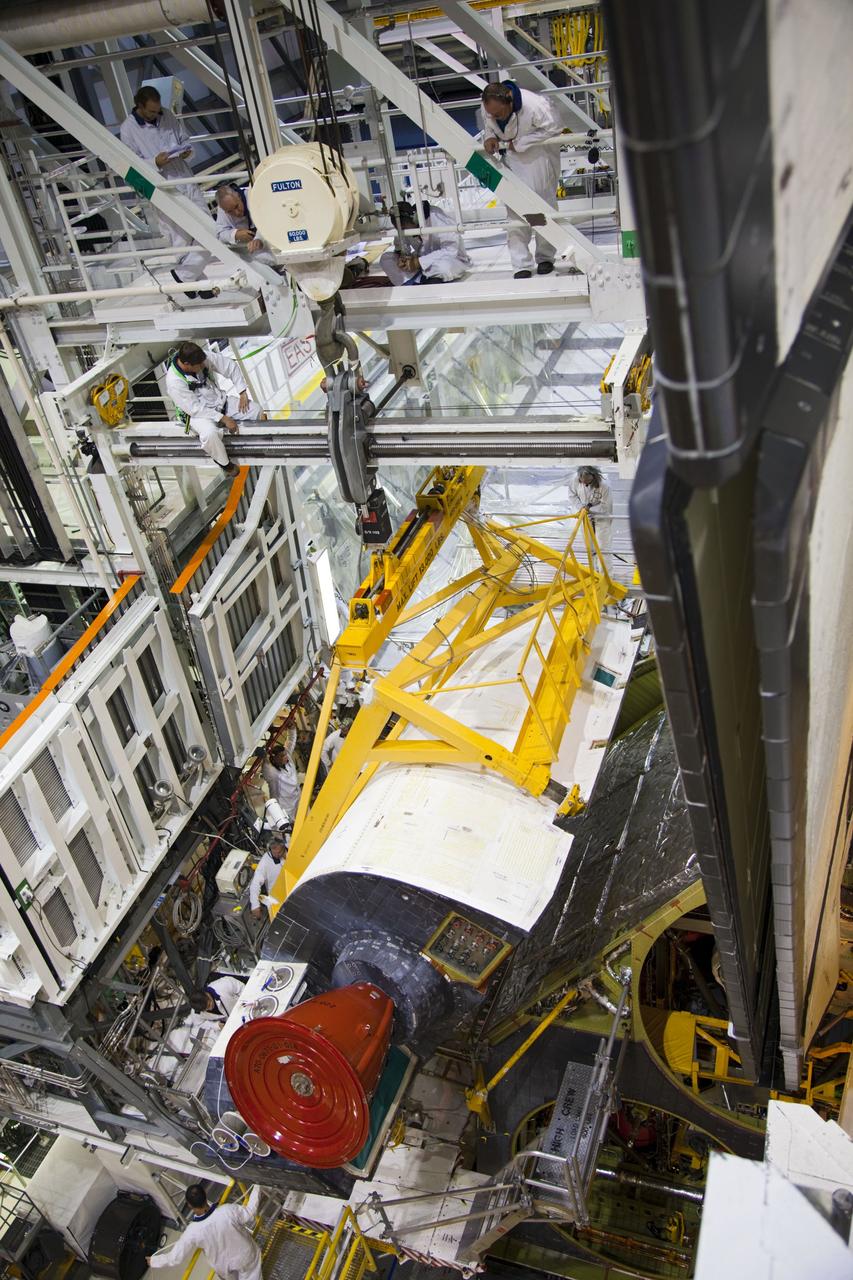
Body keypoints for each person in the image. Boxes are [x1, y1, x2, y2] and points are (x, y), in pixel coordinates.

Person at [119, 86, 214, 295]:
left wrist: (187, 151)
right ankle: (196, 284)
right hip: (162, 186)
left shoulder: (167, 115)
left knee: (209, 229)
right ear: (140, 106)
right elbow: (130, 167)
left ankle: (184, 277)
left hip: (184, 177)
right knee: (181, 239)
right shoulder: (127, 130)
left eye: (158, 110)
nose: (156, 114)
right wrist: (155, 162)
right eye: (151, 112)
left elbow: (184, 139)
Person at [480, 82, 561, 279]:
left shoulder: (534, 105)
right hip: (511, 159)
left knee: (541, 208)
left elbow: (555, 128)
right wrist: (490, 136)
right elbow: (489, 126)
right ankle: (521, 264)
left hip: (538, 157)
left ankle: (545, 258)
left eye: (499, 114)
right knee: (515, 212)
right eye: (492, 114)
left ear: (509, 101)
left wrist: (522, 143)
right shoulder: (489, 108)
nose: (494, 117)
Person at [165, 340, 265, 477]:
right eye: (199, 366)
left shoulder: (201, 358)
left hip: (217, 400)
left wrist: (242, 392)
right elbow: (194, 408)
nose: (202, 366)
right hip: (195, 415)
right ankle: (225, 464)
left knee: (256, 410)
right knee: (209, 433)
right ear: (187, 364)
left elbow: (229, 366)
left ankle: (264, 442)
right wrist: (223, 418)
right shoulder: (174, 382)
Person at [147, 1183, 262, 1280]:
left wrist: (154, 1261)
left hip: (223, 1267)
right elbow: (250, 1213)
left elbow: (175, 1257)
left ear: (189, 1205)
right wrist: (257, 1186)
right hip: (246, 1256)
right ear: (205, 1195)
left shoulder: (192, 1231)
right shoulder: (227, 1210)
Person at [379, 200, 470, 285]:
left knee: (444, 267)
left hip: (451, 259)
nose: (404, 231)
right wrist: (402, 259)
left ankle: (424, 280)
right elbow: (400, 247)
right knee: (386, 258)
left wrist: (419, 262)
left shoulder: (436, 217)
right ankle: (415, 281)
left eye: (404, 228)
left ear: (414, 219)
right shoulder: (402, 226)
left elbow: (450, 250)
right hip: (419, 262)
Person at [215, 184, 278, 266]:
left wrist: (259, 239)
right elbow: (220, 234)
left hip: (272, 239)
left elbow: (269, 220)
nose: (237, 212)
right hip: (253, 250)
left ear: (239, 196)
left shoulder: (253, 196)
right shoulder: (223, 208)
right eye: (230, 211)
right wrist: (235, 235)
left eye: (237, 206)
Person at [569, 465, 613, 561]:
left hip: (602, 517)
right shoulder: (575, 479)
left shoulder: (604, 485)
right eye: (582, 482)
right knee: (589, 547)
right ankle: (593, 571)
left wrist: (590, 509)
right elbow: (572, 495)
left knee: (603, 547)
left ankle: (605, 575)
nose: (585, 485)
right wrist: (581, 508)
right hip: (585, 516)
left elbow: (606, 506)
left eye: (588, 483)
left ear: (593, 477)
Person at [249, 831, 288, 920]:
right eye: (274, 852)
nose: (277, 855)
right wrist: (255, 905)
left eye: (280, 852)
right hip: (277, 900)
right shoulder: (265, 862)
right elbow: (255, 884)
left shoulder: (291, 849)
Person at [261, 743, 300, 818]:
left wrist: (291, 730)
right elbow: (265, 764)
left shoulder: (288, 761)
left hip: (298, 799)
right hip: (286, 806)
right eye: (282, 756)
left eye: (285, 754)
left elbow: (291, 740)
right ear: (275, 758)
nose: (285, 757)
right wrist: (263, 754)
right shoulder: (273, 773)